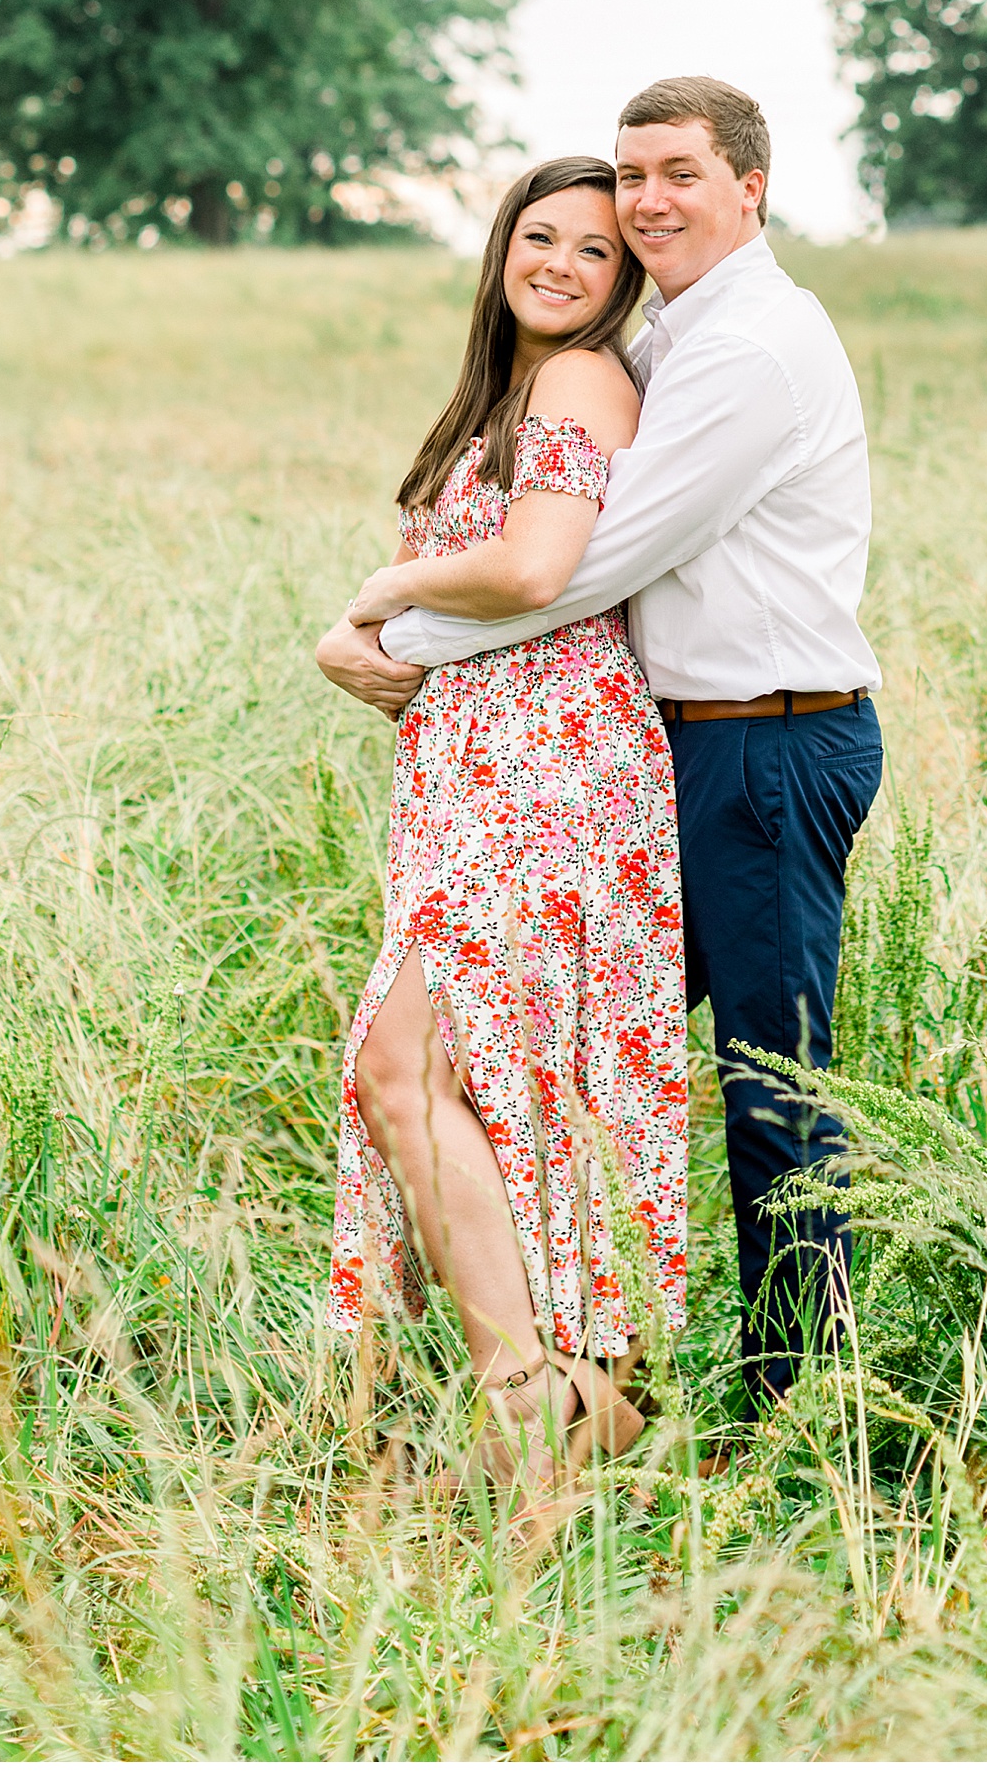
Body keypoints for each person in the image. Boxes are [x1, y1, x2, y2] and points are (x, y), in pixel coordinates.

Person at [319, 79, 883, 1420]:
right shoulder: (671, 340)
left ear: (752, 183)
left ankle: (805, 1408)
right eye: (634, 175)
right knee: (564, 1052)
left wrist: (389, 628)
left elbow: (592, 557)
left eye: (678, 172)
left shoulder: (750, 348)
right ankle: (593, 1378)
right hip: (652, 752)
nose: (646, 202)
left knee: (770, 1087)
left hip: (768, 747)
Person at [318, 155, 686, 1500]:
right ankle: (557, 1400)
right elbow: (449, 611)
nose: (565, 267)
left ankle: (535, 1396)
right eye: (543, 237)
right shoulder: (504, 394)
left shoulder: (583, 380)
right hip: (475, 766)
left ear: (620, 283)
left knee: (403, 1067)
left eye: (598, 254)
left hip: (550, 767)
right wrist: (352, 635)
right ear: (501, 245)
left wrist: (381, 583)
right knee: (443, 1078)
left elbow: (534, 568)